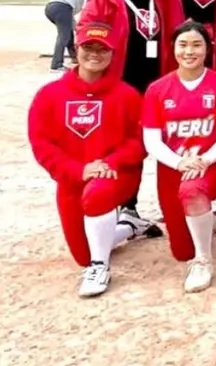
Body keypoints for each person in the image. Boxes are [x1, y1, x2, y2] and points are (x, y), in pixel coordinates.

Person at [27, 22, 146, 297]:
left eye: (102, 49)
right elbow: (41, 143)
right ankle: (128, 227)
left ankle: (99, 267)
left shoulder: (126, 95)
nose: (95, 54)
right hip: (73, 179)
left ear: (112, 53)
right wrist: (78, 170)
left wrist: (109, 164)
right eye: (88, 47)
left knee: (94, 245)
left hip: (113, 176)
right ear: (75, 49)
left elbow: (139, 141)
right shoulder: (49, 95)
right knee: (82, 252)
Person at [79, 0, 184, 236]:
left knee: (152, 145)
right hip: (119, 85)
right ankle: (119, 207)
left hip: (154, 85)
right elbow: (86, 35)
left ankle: (138, 209)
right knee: (122, 147)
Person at [141, 21, 216, 293]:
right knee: (180, 250)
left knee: (193, 191)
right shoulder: (158, 90)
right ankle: (207, 219)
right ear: (173, 48)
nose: (189, 51)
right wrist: (179, 162)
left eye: (197, 44)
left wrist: (204, 160)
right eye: (183, 45)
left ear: (207, 49)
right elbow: (152, 140)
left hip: (211, 165)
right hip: (173, 168)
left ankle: (203, 260)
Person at [45, 0, 99, 72]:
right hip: (61, 8)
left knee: (68, 33)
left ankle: (74, 57)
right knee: (64, 36)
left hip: (50, 7)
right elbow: (87, 6)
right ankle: (56, 65)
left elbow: (70, 18)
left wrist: (78, 29)